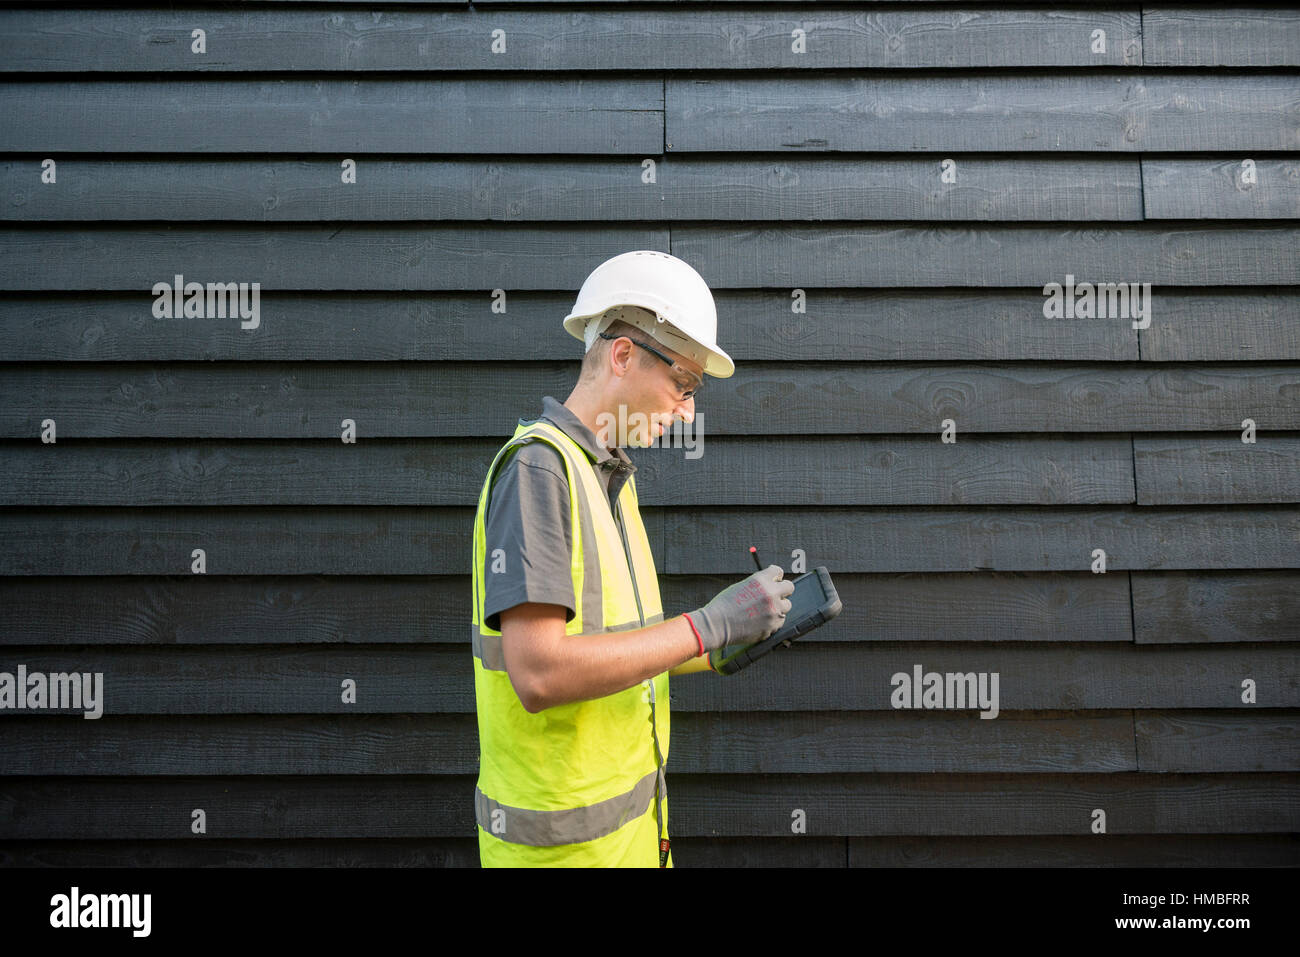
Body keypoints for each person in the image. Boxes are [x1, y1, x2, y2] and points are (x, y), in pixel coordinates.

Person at [469, 250, 795, 867]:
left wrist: (734, 638)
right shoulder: (541, 469)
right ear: (622, 355)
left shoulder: (608, 479)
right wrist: (710, 623)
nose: (687, 411)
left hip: (631, 845)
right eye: (683, 384)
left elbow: (623, 648)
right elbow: (540, 674)